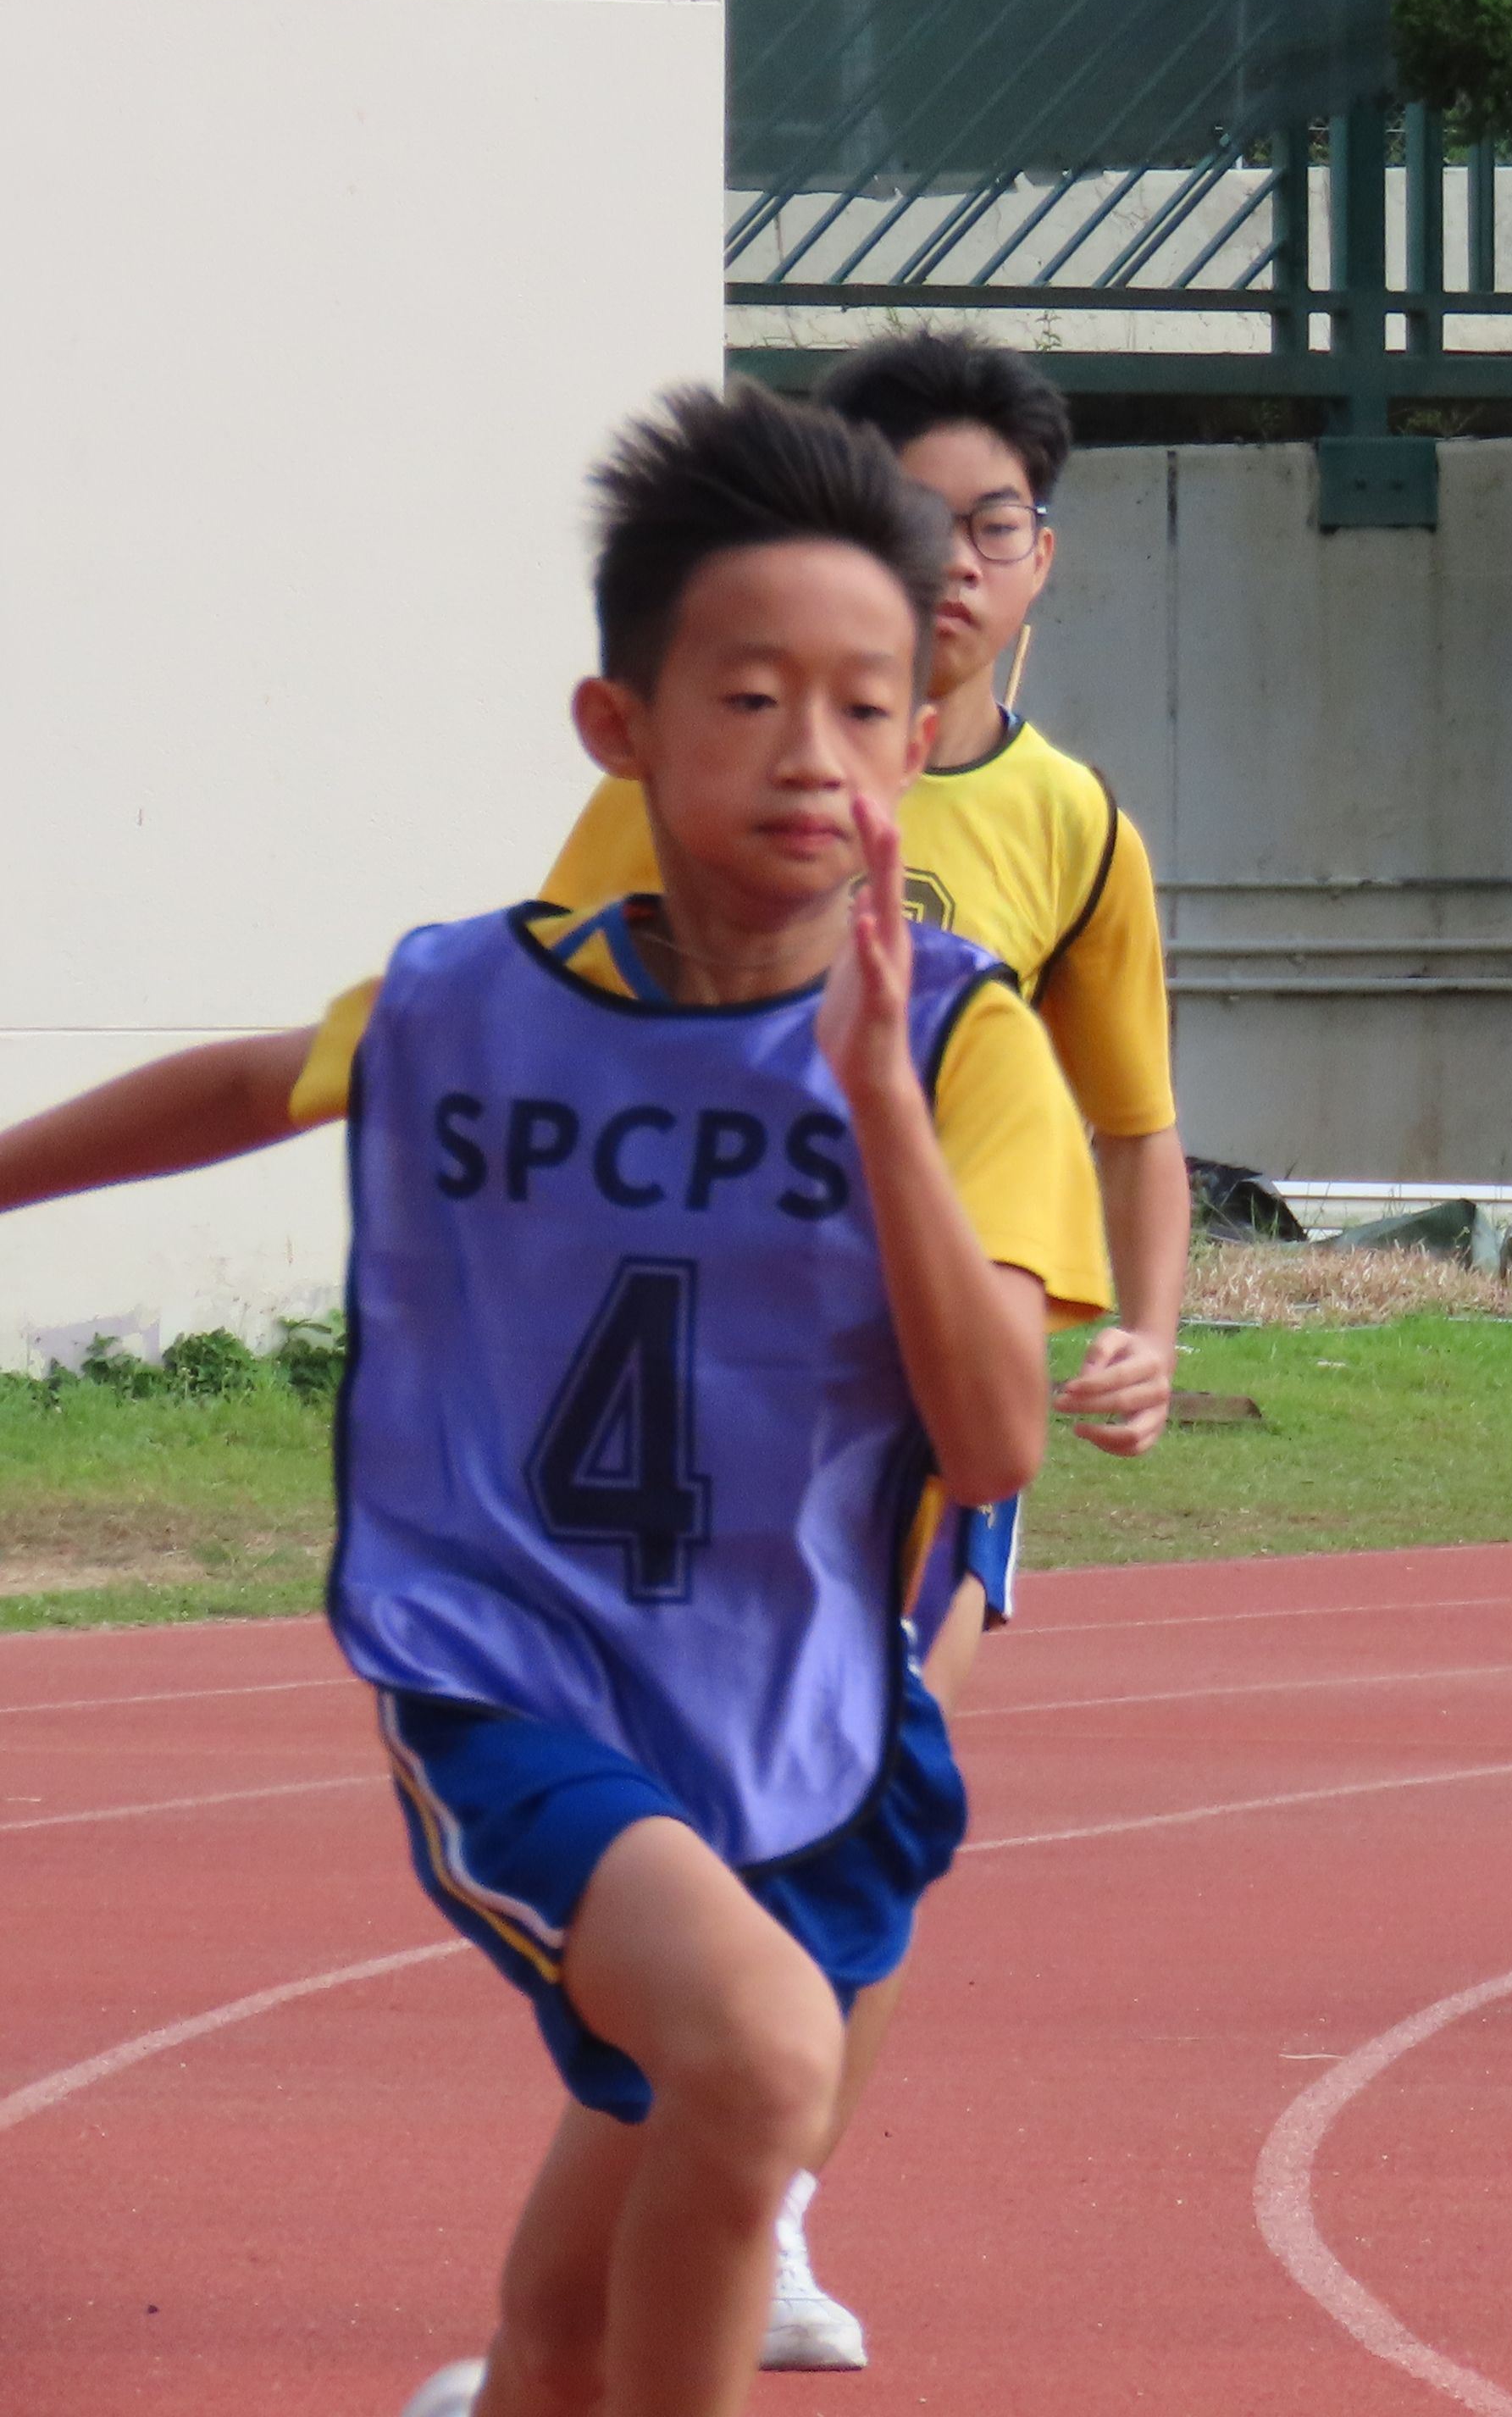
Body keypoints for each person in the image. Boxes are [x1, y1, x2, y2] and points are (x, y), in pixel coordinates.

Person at [0, 385, 1107, 2417]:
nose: (812, 751)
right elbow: (256, 1080)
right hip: (516, 1669)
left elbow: (995, 1444)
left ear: (916, 743)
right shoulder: (480, 1004)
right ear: (622, 730)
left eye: (865, 709)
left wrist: (872, 1103)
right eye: (750, 698)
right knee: (760, 2057)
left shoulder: (966, 1052)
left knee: (569, 2324)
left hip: (803, 1714)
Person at [538, 329, 1181, 2367]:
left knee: (859, 1788)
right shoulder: (696, 777)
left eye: (993, 523)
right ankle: (614, 2267)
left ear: (1043, 555)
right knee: (697, 1825)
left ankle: (761, 2209)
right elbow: (560, 1034)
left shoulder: (1077, 826)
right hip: (696, 1399)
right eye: (919, 520)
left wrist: (1147, 1328)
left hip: (924, 1410)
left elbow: (1135, 1122)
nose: (958, 560)